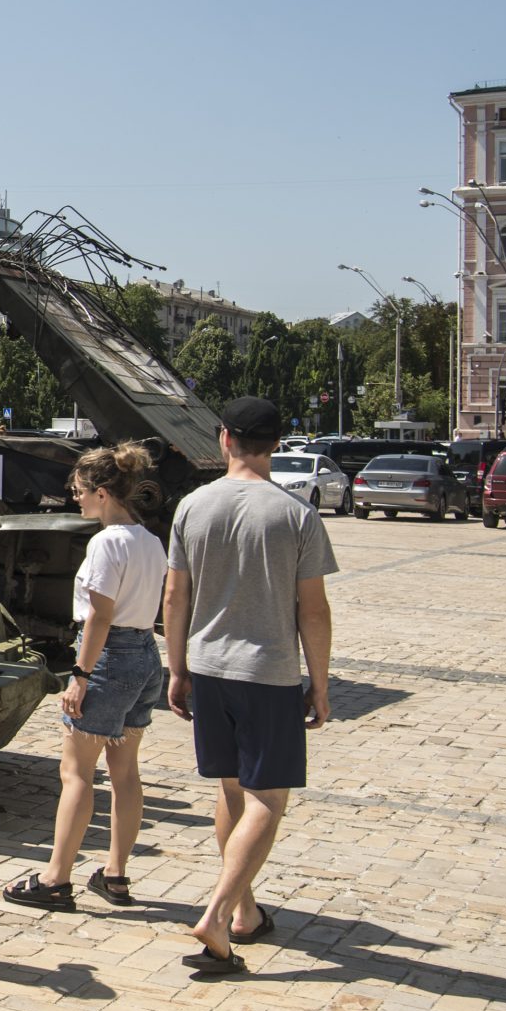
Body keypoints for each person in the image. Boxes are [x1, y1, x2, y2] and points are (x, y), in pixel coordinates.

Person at [165, 396, 336, 976]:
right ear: (277, 444)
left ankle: (245, 913)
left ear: (224, 439)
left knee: (230, 791)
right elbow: (312, 610)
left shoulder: (191, 506)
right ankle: (217, 915)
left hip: (209, 667)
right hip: (267, 672)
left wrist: (177, 666)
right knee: (269, 798)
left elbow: (174, 597)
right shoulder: (295, 515)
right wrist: (320, 682)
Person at [3, 442, 167, 913]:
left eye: (78, 491)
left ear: (100, 492)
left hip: (109, 658)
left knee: (76, 773)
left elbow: (98, 615)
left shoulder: (106, 542)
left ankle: (56, 878)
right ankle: (115, 874)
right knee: (125, 773)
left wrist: (80, 674)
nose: (75, 498)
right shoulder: (150, 540)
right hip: (143, 656)